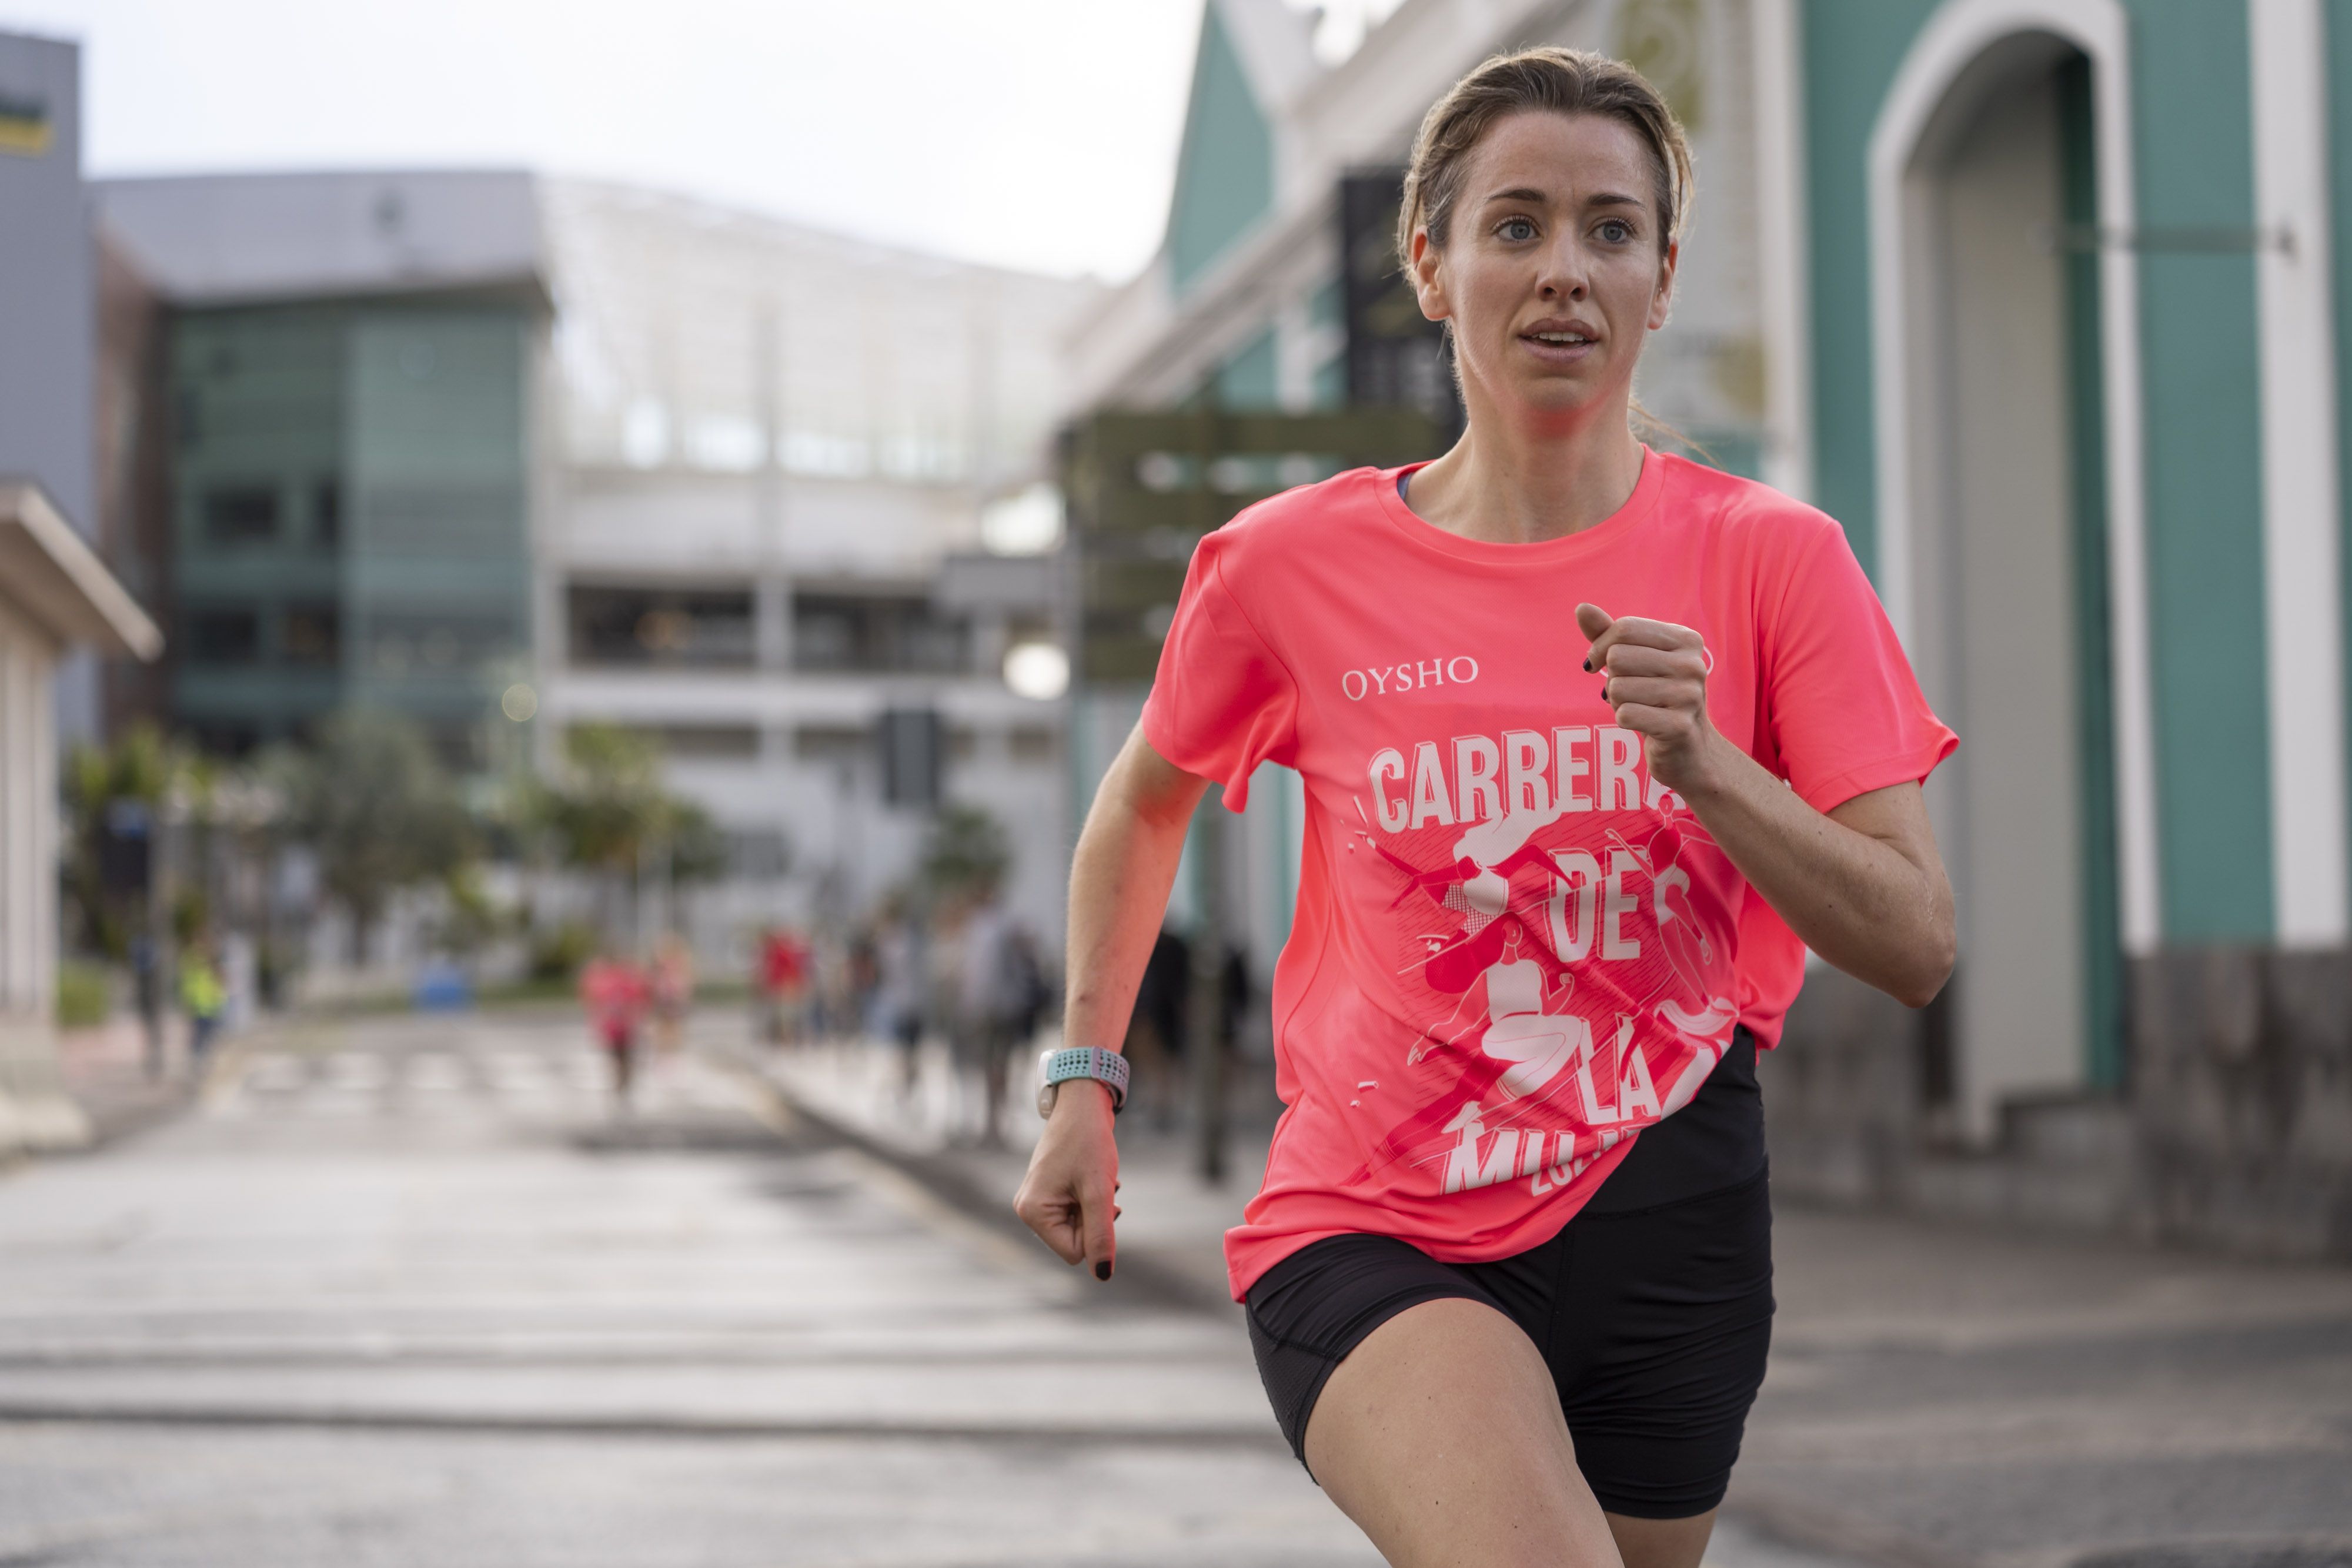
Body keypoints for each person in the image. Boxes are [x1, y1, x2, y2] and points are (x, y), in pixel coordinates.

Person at [1015, 47, 1957, 1568]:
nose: (1564, 272)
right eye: (1514, 226)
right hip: (1376, 1220)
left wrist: (1714, 767)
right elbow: (1143, 805)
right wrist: (1083, 1076)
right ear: (1429, 266)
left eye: (1609, 229)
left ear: (1661, 276)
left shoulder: (1778, 561)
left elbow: (1916, 938)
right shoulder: (1284, 568)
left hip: (1676, 1222)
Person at [579, 950, 650, 1104]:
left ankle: (623, 1081)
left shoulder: (624, 981)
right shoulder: (609, 981)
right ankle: (620, 1081)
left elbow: (638, 1000)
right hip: (615, 1025)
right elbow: (596, 1001)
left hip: (623, 1024)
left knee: (623, 1055)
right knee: (617, 1055)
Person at [178, 935, 226, 1067]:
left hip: (212, 1006)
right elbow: (189, 985)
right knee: (200, 1037)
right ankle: (197, 1062)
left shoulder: (212, 964)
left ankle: (202, 1062)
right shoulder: (194, 964)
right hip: (200, 1006)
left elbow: (220, 984)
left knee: (209, 1037)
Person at [649, 932, 694, 1057]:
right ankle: (665, 1044)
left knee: (673, 1020)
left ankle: (671, 1045)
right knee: (664, 1020)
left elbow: (687, 979)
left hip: (673, 994)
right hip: (664, 994)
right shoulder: (662, 962)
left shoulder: (680, 961)